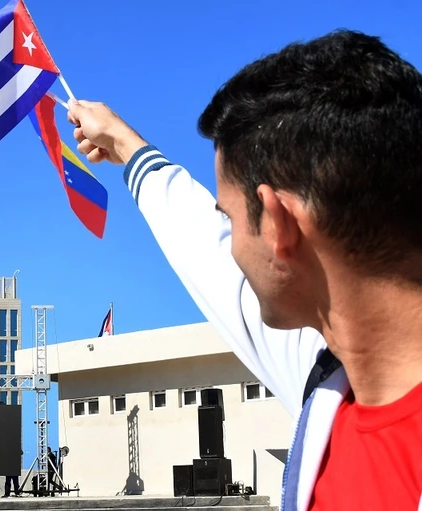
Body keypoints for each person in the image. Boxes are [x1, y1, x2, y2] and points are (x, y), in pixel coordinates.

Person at [67, 29, 422, 511]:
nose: (230, 246)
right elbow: (202, 249)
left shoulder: (326, 379)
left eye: (230, 220)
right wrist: (125, 146)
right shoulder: (329, 383)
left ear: (278, 225)